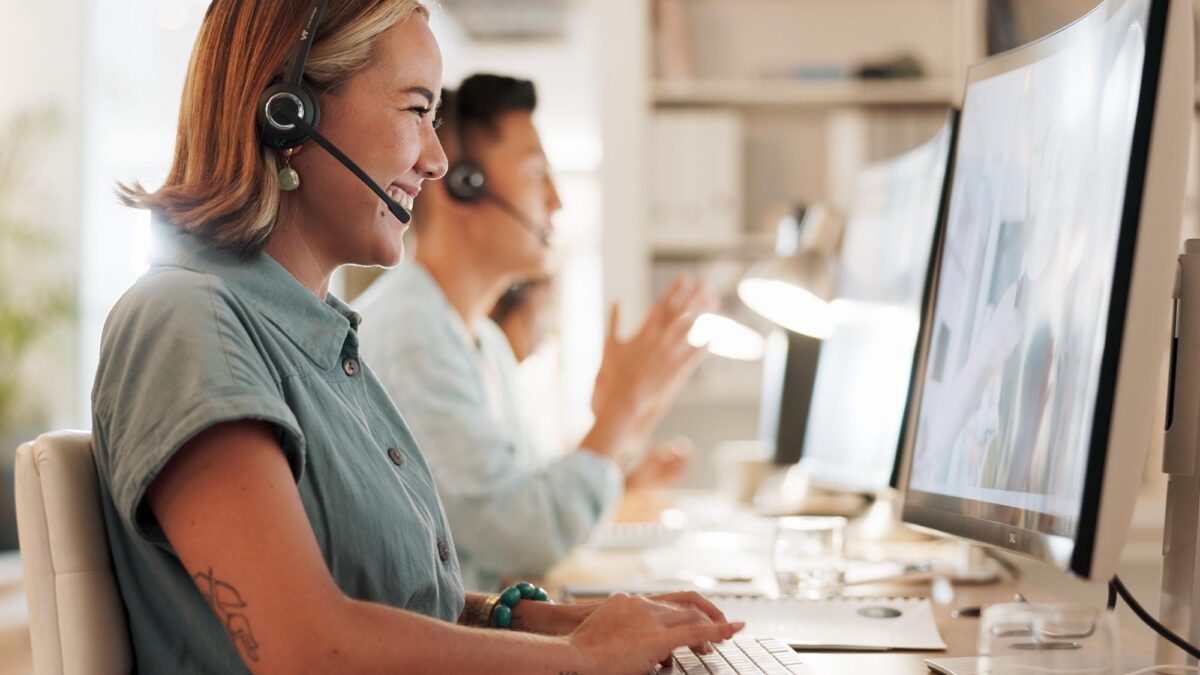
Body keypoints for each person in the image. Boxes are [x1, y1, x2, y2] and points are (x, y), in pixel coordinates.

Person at [91, 2, 740, 672]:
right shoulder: (188, 323)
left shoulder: (315, 342)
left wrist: (537, 620)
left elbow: (382, 597)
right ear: (287, 111)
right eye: (415, 110)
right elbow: (306, 647)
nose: (435, 160)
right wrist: (580, 659)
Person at [355, 74, 715, 592]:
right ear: (464, 185)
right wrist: (617, 415)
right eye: (536, 175)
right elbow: (524, 534)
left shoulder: (482, 340)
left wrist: (626, 424)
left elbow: (529, 493)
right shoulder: (415, 338)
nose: (557, 201)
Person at [490, 275, 693, 489]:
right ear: (510, 308)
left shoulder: (511, 391)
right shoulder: (490, 390)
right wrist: (622, 406)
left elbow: (555, 494)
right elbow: (546, 507)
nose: (546, 330)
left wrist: (631, 480)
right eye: (542, 309)